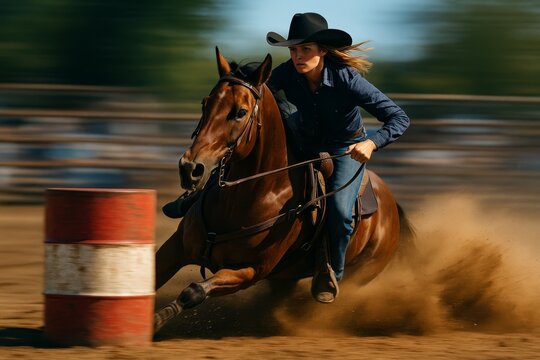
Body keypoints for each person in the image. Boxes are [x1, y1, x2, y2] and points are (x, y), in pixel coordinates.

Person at [163, 12, 410, 303]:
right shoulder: (284, 74)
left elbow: (399, 117)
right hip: (303, 142)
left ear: (322, 51)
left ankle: (330, 271)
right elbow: (254, 90)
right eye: (294, 50)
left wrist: (371, 143)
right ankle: (197, 197)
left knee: (342, 212)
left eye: (305, 49)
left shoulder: (347, 79)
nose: (298, 55)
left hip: (345, 150)